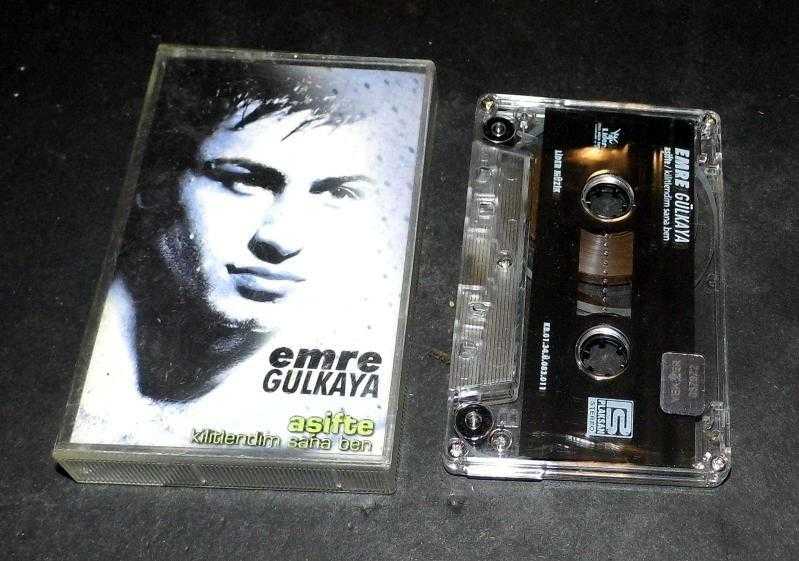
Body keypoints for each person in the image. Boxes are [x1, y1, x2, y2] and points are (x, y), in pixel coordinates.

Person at [71, 59, 424, 445]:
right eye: (244, 182)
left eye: (338, 193)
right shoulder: (73, 369)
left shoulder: (363, 411)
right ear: (158, 184)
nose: (282, 239)